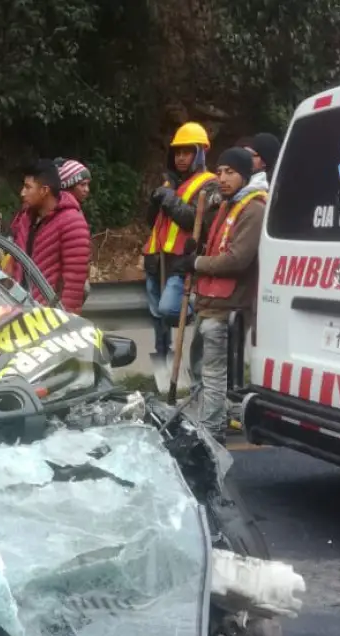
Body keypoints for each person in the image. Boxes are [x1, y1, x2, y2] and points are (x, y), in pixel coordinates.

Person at [189, 147, 268, 442]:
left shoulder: (254, 209)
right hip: (209, 303)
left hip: (227, 306)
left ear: (245, 175)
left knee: (212, 373)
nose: (221, 178)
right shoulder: (228, 205)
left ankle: (210, 432)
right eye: (219, 171)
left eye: (230, 172)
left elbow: (236, 260)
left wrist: (196, 263)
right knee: (198, 367)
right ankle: (208, 420)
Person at [142, 122, 222, 372]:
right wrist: (157, 200)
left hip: (181, 263)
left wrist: (170, 199)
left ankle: (197, 311)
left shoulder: (211, 185)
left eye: (187, 152)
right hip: (157, 259)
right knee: (157, 316)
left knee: (168, 310)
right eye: (177, 152)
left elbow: (195, 221)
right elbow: (151, 222)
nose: (181, 157)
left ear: (200, 153)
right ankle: (163, 364)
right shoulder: (171, 183)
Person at [9, 159, 91, 314]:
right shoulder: (26, 218)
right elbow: (15, 264)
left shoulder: (72, 222)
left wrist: (65, 322)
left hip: (49, 316)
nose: (22, 193)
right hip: (20, 309)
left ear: (44, 190)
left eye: (28, 187)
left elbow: (73, 284)